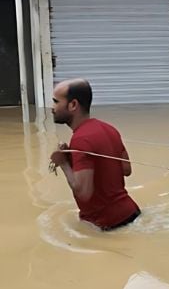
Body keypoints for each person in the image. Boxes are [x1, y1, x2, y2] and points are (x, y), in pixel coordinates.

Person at [49, 79, 140, 230]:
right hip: (132, 213)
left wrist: (63, 163)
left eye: (56, 102)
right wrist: (71, 158)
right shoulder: (109, 129)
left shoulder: (80, 139)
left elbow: (84, 193)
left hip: (108, 226)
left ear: (73, 105)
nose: (52, 108)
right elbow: (126, 170)